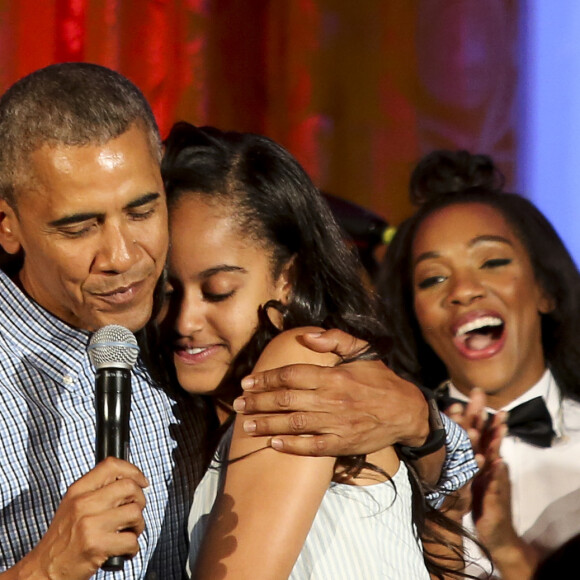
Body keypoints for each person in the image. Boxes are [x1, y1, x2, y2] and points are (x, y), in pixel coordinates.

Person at [0, 63, 468, 579]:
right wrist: (43, 570)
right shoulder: (180, 357)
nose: (122, 256)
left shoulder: (230, 366)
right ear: (8, 225)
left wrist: (421, 422)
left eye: (141, 212)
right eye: (80, 227)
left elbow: (454, 487)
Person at [156, 122, 480, 579]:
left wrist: (426, 427)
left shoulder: (301, 365)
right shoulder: (210, 413)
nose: (185, 321)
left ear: (287, 278)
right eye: (167, 292)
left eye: (219, 291)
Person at [377, 150, 580, 579]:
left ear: (546, 290)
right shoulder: (380, 464)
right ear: (414, 316)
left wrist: (507, 548)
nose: (464, 291)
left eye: (492, 262)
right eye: (433, 278)